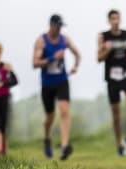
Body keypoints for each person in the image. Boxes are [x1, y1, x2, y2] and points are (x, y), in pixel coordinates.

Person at [33, 14, 81, 160]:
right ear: (51, 25)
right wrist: (53, 57)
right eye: (57, 26)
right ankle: (47, 139)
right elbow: (35, 63)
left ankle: (65, 145)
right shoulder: (41, 41)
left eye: (61, 26)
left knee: (64, 110)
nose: (59, 29)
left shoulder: (64, 39)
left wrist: (75, 66)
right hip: (47, 83)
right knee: (50, 116)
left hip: (62, 80)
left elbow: (77, 54)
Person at [97, 9, 126, 156]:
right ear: (109, 21)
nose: (115, 21)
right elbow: (98, 58)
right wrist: (107, 50)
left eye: (117, 18)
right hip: (112, 78)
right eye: (113, 19)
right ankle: (119, 144)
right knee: (116, 115)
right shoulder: (103, 36)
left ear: (120, 20)